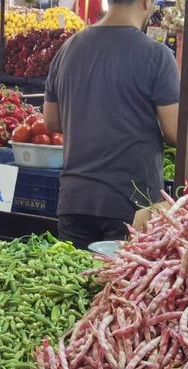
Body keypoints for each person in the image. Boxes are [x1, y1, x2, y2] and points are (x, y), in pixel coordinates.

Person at [43, 0, 179, 249]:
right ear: (146, 3)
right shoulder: (157, 56)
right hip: (132, 205)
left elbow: (51, 120)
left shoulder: (68, 48)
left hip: (75, 199)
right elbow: (175, 133)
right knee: (121, 285)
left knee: (75, 282)